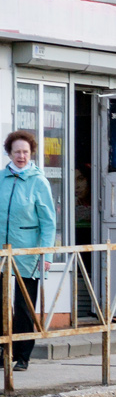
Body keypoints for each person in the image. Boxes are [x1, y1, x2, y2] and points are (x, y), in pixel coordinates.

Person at [0, 130, 56, 371]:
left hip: (28, 253)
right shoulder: (1, 179)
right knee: (1, 304)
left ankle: (22, 356)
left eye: (25, 151)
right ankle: (3, 351)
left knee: (24, 305)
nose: (21, 156)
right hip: (2, 252)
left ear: (31, 153)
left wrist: (46, 254)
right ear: (9, 153)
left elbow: (49, 222)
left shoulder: (38, 181)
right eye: (16, 152)